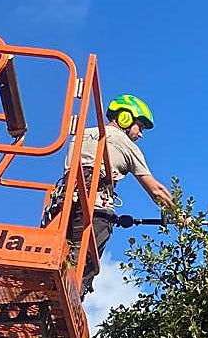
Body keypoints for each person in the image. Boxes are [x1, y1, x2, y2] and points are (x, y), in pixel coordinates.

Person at [68, 93, 177, 292]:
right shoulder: (125, 143)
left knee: (60, 258)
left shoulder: (81, 134)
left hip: (63, 205)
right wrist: (180, 215)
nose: (141, 134)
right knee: (81, 270)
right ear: (125, 118)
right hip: (95, 211)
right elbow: (157, 191)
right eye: (140, 127)